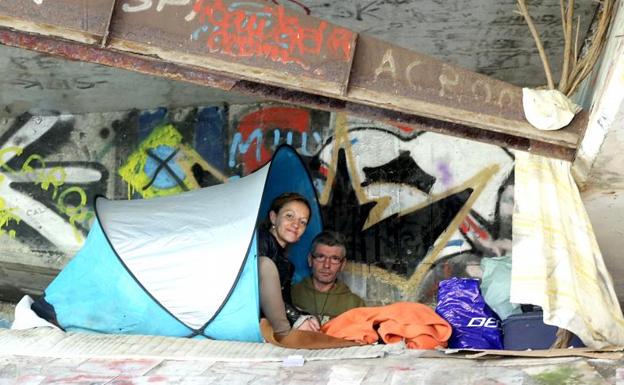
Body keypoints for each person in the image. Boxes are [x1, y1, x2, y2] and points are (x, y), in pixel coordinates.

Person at [258, 192, 320, 337]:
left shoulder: (287, 266)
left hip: (265, 324)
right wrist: (297, 318)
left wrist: (306, 317)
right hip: (241, 316)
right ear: (273, 217)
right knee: (264, 265)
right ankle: (285, 336)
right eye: (289, 216)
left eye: (303, 222)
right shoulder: (260, 240)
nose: (296, 225)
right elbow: (254, 286)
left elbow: (282, 303)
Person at [291, 231, 365, 325]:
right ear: (310, 260)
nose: (326, 265)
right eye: (321, 257)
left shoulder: (354, 304)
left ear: (342, 264)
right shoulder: (291, 295)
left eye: (335, 259)